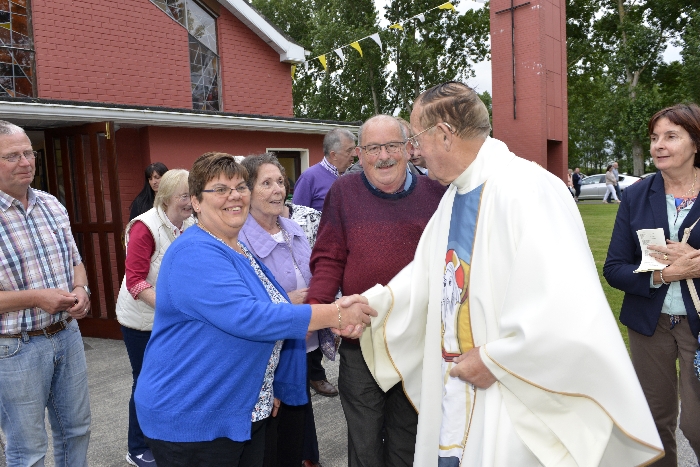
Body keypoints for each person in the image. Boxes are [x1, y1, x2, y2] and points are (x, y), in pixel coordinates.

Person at [358, 82, 663, 466]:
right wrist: (370, 306)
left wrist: (497, 360)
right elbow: (429, 277)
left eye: (416, 139)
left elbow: (565, 302)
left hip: (508, 390)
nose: (414, 152)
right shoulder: (454, 194)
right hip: (457, 384)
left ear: (445, 135)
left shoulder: (527, 189)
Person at [134, 152, 375, 467]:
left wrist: (264, 386)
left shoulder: (236, 248)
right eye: (220, 189)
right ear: (196, 202)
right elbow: (252, 318)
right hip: (194, 416)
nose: (234, 196)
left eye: (240, 187)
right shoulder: (194, 252)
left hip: (239, 408)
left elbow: (269, 312)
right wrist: (335, 314)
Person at [308, 115, 445, 466]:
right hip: (361, 340)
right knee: (365, 444)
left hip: (416, 343)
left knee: (408, 440)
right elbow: (328, 258)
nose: (383, 156)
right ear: (359, 153)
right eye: (372, 148)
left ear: (409, 148)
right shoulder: (343, 193)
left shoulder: (437, 194)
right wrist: (318, 310)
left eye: (392, 146)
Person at [604, 103, 700, 467]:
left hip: (697, 324)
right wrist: (665, 275)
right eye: (655, 137)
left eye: (671, 136)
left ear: (695, 143)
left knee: (696, 425)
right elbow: (614, 269)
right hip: (649, 325)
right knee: (653, 424)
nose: (659, 145)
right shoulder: (636, 195)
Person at [0, 120, 92, 467]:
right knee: (28, 449)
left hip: (67, 334)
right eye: (13, 156)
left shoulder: (52, 204)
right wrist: (37, 298)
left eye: (29, 153)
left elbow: (75, 261)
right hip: (15, 348)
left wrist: (81, 289)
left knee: (76, 431)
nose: (26, 162)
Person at [238, 154, 330, 467]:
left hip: (302, 341)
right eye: (266, 183)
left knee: (297, 420)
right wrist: (284, 301)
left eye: (280, 181)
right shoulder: (239, 238)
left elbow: (315, 270)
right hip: (267, 349)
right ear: (247, 191)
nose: (278, 189)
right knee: (273, 434)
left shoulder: (294, 227)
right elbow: (242, 303)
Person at [115, 169, 196, 467]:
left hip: (175, 320)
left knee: (175, 382)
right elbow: (135, 282)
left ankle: (167, 439)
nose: (191, 202)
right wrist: (171, 309)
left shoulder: (190, 224)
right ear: (166, 197)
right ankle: (137, 447)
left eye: (192, 195)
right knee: (147, 383)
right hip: (142, 322)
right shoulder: (144, 226)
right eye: (184, 196)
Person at [292, 129, 356, 212]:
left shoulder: (356, 175)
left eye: (354, 149)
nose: (355, 154)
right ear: (333, 155)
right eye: (349, 150)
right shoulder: (309, 178)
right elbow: (297, 215)